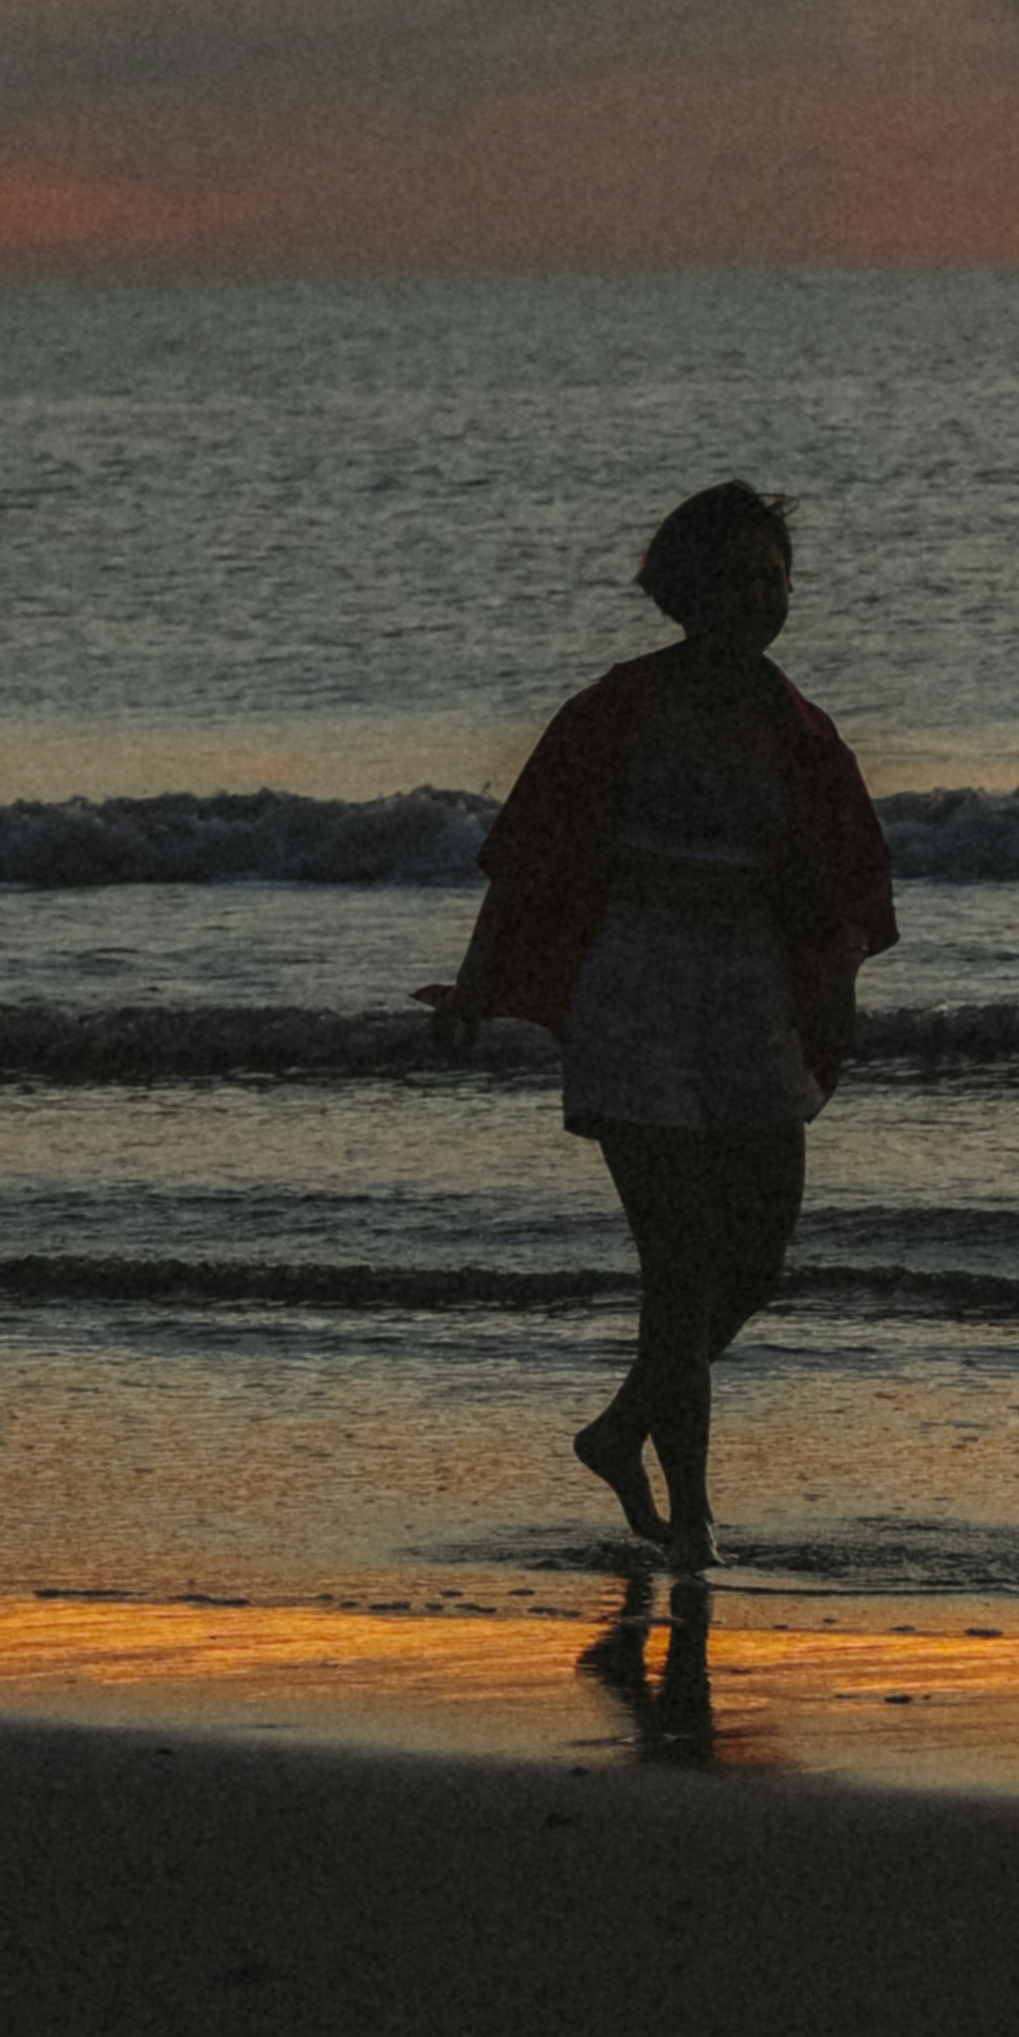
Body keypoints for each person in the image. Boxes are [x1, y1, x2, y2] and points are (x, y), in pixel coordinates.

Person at [423, 477, 896, 1564]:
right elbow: (528, 853)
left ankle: (623, 1426)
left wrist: (837, 990)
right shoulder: (617, 708)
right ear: (680, 589)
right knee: (679, 1269)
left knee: (758, 1257)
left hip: (750, 992)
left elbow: (848, 892)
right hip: (635, 982)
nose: (754, 597)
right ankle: (689, 1517)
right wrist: (473, 983)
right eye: (730, 577)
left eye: (771, 578)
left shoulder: (800, 727)